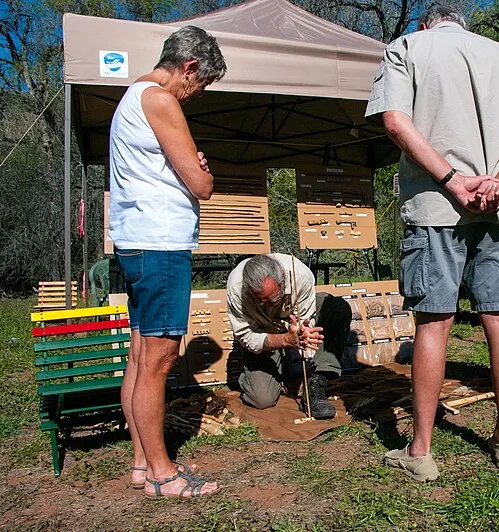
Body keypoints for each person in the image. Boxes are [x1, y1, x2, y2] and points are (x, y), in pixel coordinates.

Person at [365, 5, 499, 481]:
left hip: (436, 206)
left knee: (434, 322)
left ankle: (421, 451)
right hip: (498, 206)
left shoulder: (408, 46)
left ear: (426, 23)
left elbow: (395, 122)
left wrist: (452, 180)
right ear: (462, 24)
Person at [110, 26, 226, 499]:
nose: (196, 94)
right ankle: (163, 474)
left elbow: (167, 167)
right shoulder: (159, 99)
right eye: (200, 84)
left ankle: (143, 462)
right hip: (159, 243)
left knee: (141, 357)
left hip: (137, 241)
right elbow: (201, 185)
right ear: (189, 67)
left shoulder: (132, 97)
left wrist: (188, 165)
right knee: (160, 361)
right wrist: (202, 173)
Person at [226, 254, 351, 419]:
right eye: (261, 301)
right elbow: (246, 335)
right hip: (263, 332)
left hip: (292, 320)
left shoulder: (301, 275)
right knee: (262, 399)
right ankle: (270, 373)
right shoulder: (236, 288)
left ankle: (316, 380)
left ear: (282, 279)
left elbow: (306, 322)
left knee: (337, 308)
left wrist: (302, 335)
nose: (268, 305)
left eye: (272, 300)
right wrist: (285, 340)